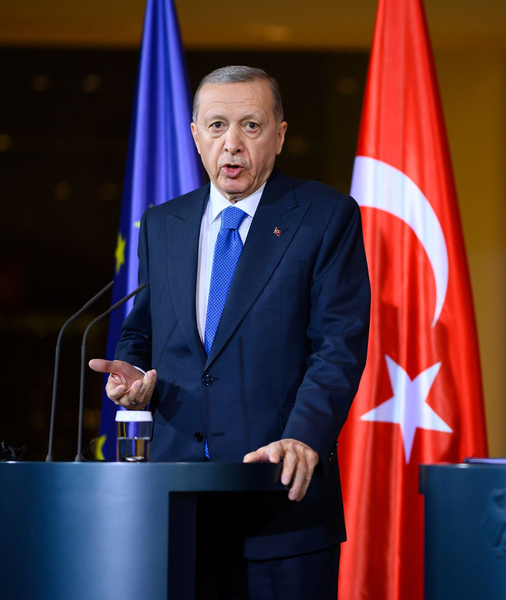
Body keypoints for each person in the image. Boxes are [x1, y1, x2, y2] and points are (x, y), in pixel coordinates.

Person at [89, 65, 370, 599]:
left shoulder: (325, 217)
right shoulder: (164, 224)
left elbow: (338, 345)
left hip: (279, 502)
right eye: (217, 127)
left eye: (251, 126)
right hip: (174, 507)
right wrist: (132, 373)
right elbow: (143, 331)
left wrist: (304, 435)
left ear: (280, 135)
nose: (232, 144)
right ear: (195, 136)